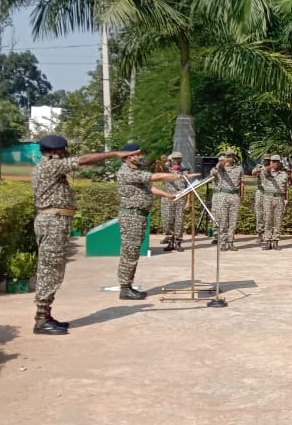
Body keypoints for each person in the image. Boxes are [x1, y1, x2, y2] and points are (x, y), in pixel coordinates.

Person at [30, 136, 132, 335]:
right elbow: (83, 160)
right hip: (52, 222)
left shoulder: (51, 166)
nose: (66, 153)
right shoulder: (50, 166)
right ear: (56, 152)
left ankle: (45, 315)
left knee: (54, 269)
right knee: (50, 270)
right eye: (63, 150)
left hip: (56, 222)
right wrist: (114, 154)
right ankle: (41, 320)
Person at [116, 144, 183, 300]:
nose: (141, 157)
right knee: (129, 252)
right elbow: (153, 177)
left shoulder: (135, 171)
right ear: (128, 157)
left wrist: (169, 195)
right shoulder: (126, 171)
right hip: (131, 216)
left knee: (133, 252)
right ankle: (125, 288)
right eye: (138, 154)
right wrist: (175, 176)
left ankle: (127, 285)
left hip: (138, 216)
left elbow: (150, 188)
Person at [210, 149, 244, 252]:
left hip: (234, 196)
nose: (230, 157)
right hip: (223, 195)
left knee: (233, 221)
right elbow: (214, 172)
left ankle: (230, 242)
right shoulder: (220, 166)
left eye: (232, 155)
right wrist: (223, 163)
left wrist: (241, 196)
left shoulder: (239, 168)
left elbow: (242, 183)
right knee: (223, 220)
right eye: (228, 155)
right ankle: (223, 243)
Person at [159, 152, 191, 251]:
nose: (177, 160)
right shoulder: (166, 170)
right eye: (175, 158)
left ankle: (178, 242)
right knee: (167, 221)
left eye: (179, 158)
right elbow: (160, 169)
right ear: (171, 160)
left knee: (179, 222)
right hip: (167, 199)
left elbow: (189, 188)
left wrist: (188, 202)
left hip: (181, 199)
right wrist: (164, 162)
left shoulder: (185, 172)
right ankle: (170, 242)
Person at [258, 155, 288, 250]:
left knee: (278, 220)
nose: (275, 163)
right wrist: (270, 167)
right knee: (268, 220)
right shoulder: (266, 171)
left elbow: (286, 188)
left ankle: (275, 241)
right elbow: (265, 171)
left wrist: (286, 199)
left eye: (276, 161)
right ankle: (268, 241)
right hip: (268, 198)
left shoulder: (284, 174)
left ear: (279, 162)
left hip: (279, 198)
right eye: (273, 161)